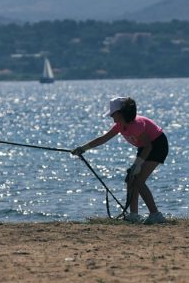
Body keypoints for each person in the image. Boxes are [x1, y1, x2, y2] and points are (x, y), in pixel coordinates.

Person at [71, 96, 168, 225]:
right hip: (144, 148)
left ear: (121, 113)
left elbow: (149, 146)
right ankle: (134, 215)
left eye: (113, 114)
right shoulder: (119, 125)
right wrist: (82, 148)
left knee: (139, 181)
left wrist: (138, 164)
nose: (111, 117)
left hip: (157, 146)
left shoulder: (136, 125)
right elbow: (103, 139)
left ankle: (156, 215)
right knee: (130, 179)